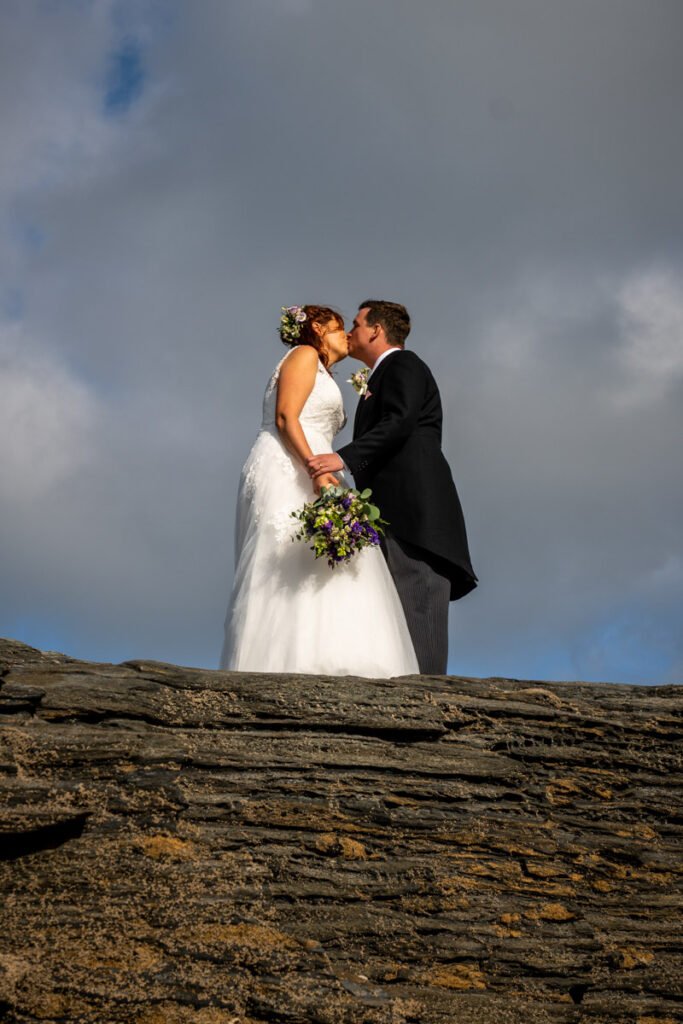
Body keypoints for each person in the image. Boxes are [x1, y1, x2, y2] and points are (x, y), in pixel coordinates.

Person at [220, 304, 418, 677]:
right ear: (315, 328)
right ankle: (285, 661)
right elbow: (285, 417)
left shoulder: (325, 370)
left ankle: (339, 654)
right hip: (292, 464)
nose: (345, 334)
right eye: (338, 327)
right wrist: (313, 466)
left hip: (319, 465)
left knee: (335, 559)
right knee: (288, 558)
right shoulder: (304, 354)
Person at [308, 300, 477, 675]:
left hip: (415, 513)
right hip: (393, 510)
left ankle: (428, 701)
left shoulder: (403, 364)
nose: (350, 333)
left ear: (376, 330)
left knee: (418, 599)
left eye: (355, 324)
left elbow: (400, 421)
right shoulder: (380, 376)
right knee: (396, 605)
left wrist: (343, 458)